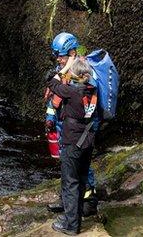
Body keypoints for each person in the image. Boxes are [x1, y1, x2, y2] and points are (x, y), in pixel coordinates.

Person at [45, 32, 98, 216]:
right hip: (64, 125)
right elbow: (53, 99)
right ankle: (68, 200)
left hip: (80, 129)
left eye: (61, 55)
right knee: (67, 165)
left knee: (82, 165)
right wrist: (51, 119)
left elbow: (89, 104)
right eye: (56, 55)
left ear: (72, 52)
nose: (58, 59)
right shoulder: (63, 70)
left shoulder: (81, 72)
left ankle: (89, 200)